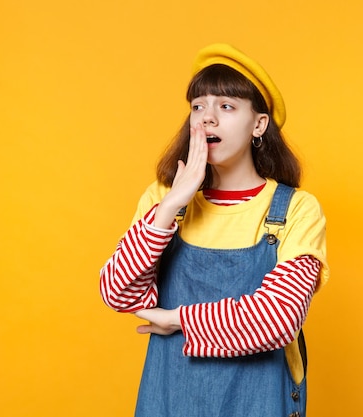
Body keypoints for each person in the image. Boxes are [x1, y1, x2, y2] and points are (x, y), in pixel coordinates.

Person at [100, 43, 329, 417]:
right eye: (198, 106)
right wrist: (172, 205)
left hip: (258, 404)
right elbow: (119, 293)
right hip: (169, 402)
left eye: (226, 106)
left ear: (258, 124)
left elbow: (278, 318)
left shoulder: (298, 210)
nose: (207, 118)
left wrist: (177, 319)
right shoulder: (164, 200)